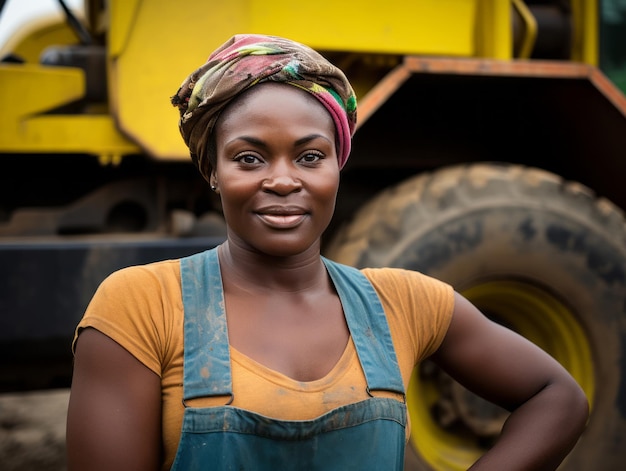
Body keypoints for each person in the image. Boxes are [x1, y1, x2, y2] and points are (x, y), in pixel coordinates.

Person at [66, 34, 589, 471]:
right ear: (211, 171)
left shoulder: (404, 302)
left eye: (310, 156)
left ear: (338, 164)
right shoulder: (141, 306)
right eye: (249, 158)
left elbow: (556, 397)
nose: (282, 180)